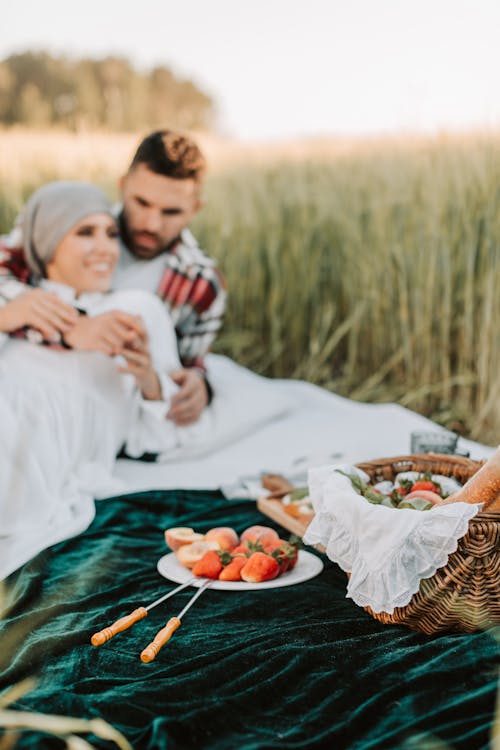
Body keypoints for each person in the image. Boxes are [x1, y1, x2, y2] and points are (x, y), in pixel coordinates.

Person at [0, 181, 212, 579]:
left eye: (111, 234)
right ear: (47, 244)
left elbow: (164, 440)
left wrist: (148, 378)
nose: (105, 248)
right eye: (85, 232)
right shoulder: (16, 303)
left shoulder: (134, 311)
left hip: (36, 445)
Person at [0, 129, 226, 427]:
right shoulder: (71, 216)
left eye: (171, 212)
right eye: (141, 203)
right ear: (122, 186)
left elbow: (184, 361)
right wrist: (72, 327)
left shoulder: (201, 283)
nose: (151, 223)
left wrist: (200, 384)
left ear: (196, 208)